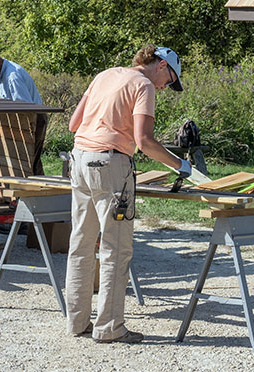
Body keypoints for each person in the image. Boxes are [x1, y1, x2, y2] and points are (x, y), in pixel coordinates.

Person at [64, 44, 191, 344]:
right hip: (110, 164)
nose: (165, 87)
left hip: (79, 159)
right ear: (161, 65)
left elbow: (73, 125)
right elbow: (144, 141)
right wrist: (179, 164)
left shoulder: (104, 75)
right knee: (116, 248)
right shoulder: (143, 85)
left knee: (81, 243)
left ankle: (77, 322)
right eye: (169, 80)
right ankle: (109, 327)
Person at [0, 47, 46, 173]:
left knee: (31, 160)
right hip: (24, 118)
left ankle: (38, 184)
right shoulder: (1, 73)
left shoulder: (12, 76)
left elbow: (25, 108)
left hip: (33, 119)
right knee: (26, 159)